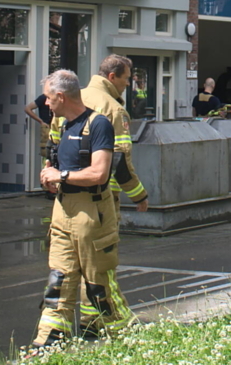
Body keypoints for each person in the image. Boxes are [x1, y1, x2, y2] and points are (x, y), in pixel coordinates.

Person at [32, 69, 133, 348]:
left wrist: (61, 177)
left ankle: (123, 335)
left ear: (61, 97)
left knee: (97, 283)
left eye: (50, 99)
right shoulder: (62, 125)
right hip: (63, 211)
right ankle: (49, 342)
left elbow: (99, 174)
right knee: (59, 281)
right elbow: (60, 164)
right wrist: (50, 175)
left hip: (93, 214)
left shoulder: (98, 124)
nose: (47, 104)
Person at [81, 55, 150, 219]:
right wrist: (139, 195)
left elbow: (53, 142)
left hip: (70, 190)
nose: (128, 83)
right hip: (102, 193)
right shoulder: (114, 110)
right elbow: (119, 159)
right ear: (112, 76)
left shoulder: (73, 99)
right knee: (104, 242)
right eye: (126, 78)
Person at [24, 93, 53, 159]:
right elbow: (27, 109)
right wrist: (41, 121)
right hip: (46, 127)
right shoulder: (43, 97)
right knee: (45, 152)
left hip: (56, 126)